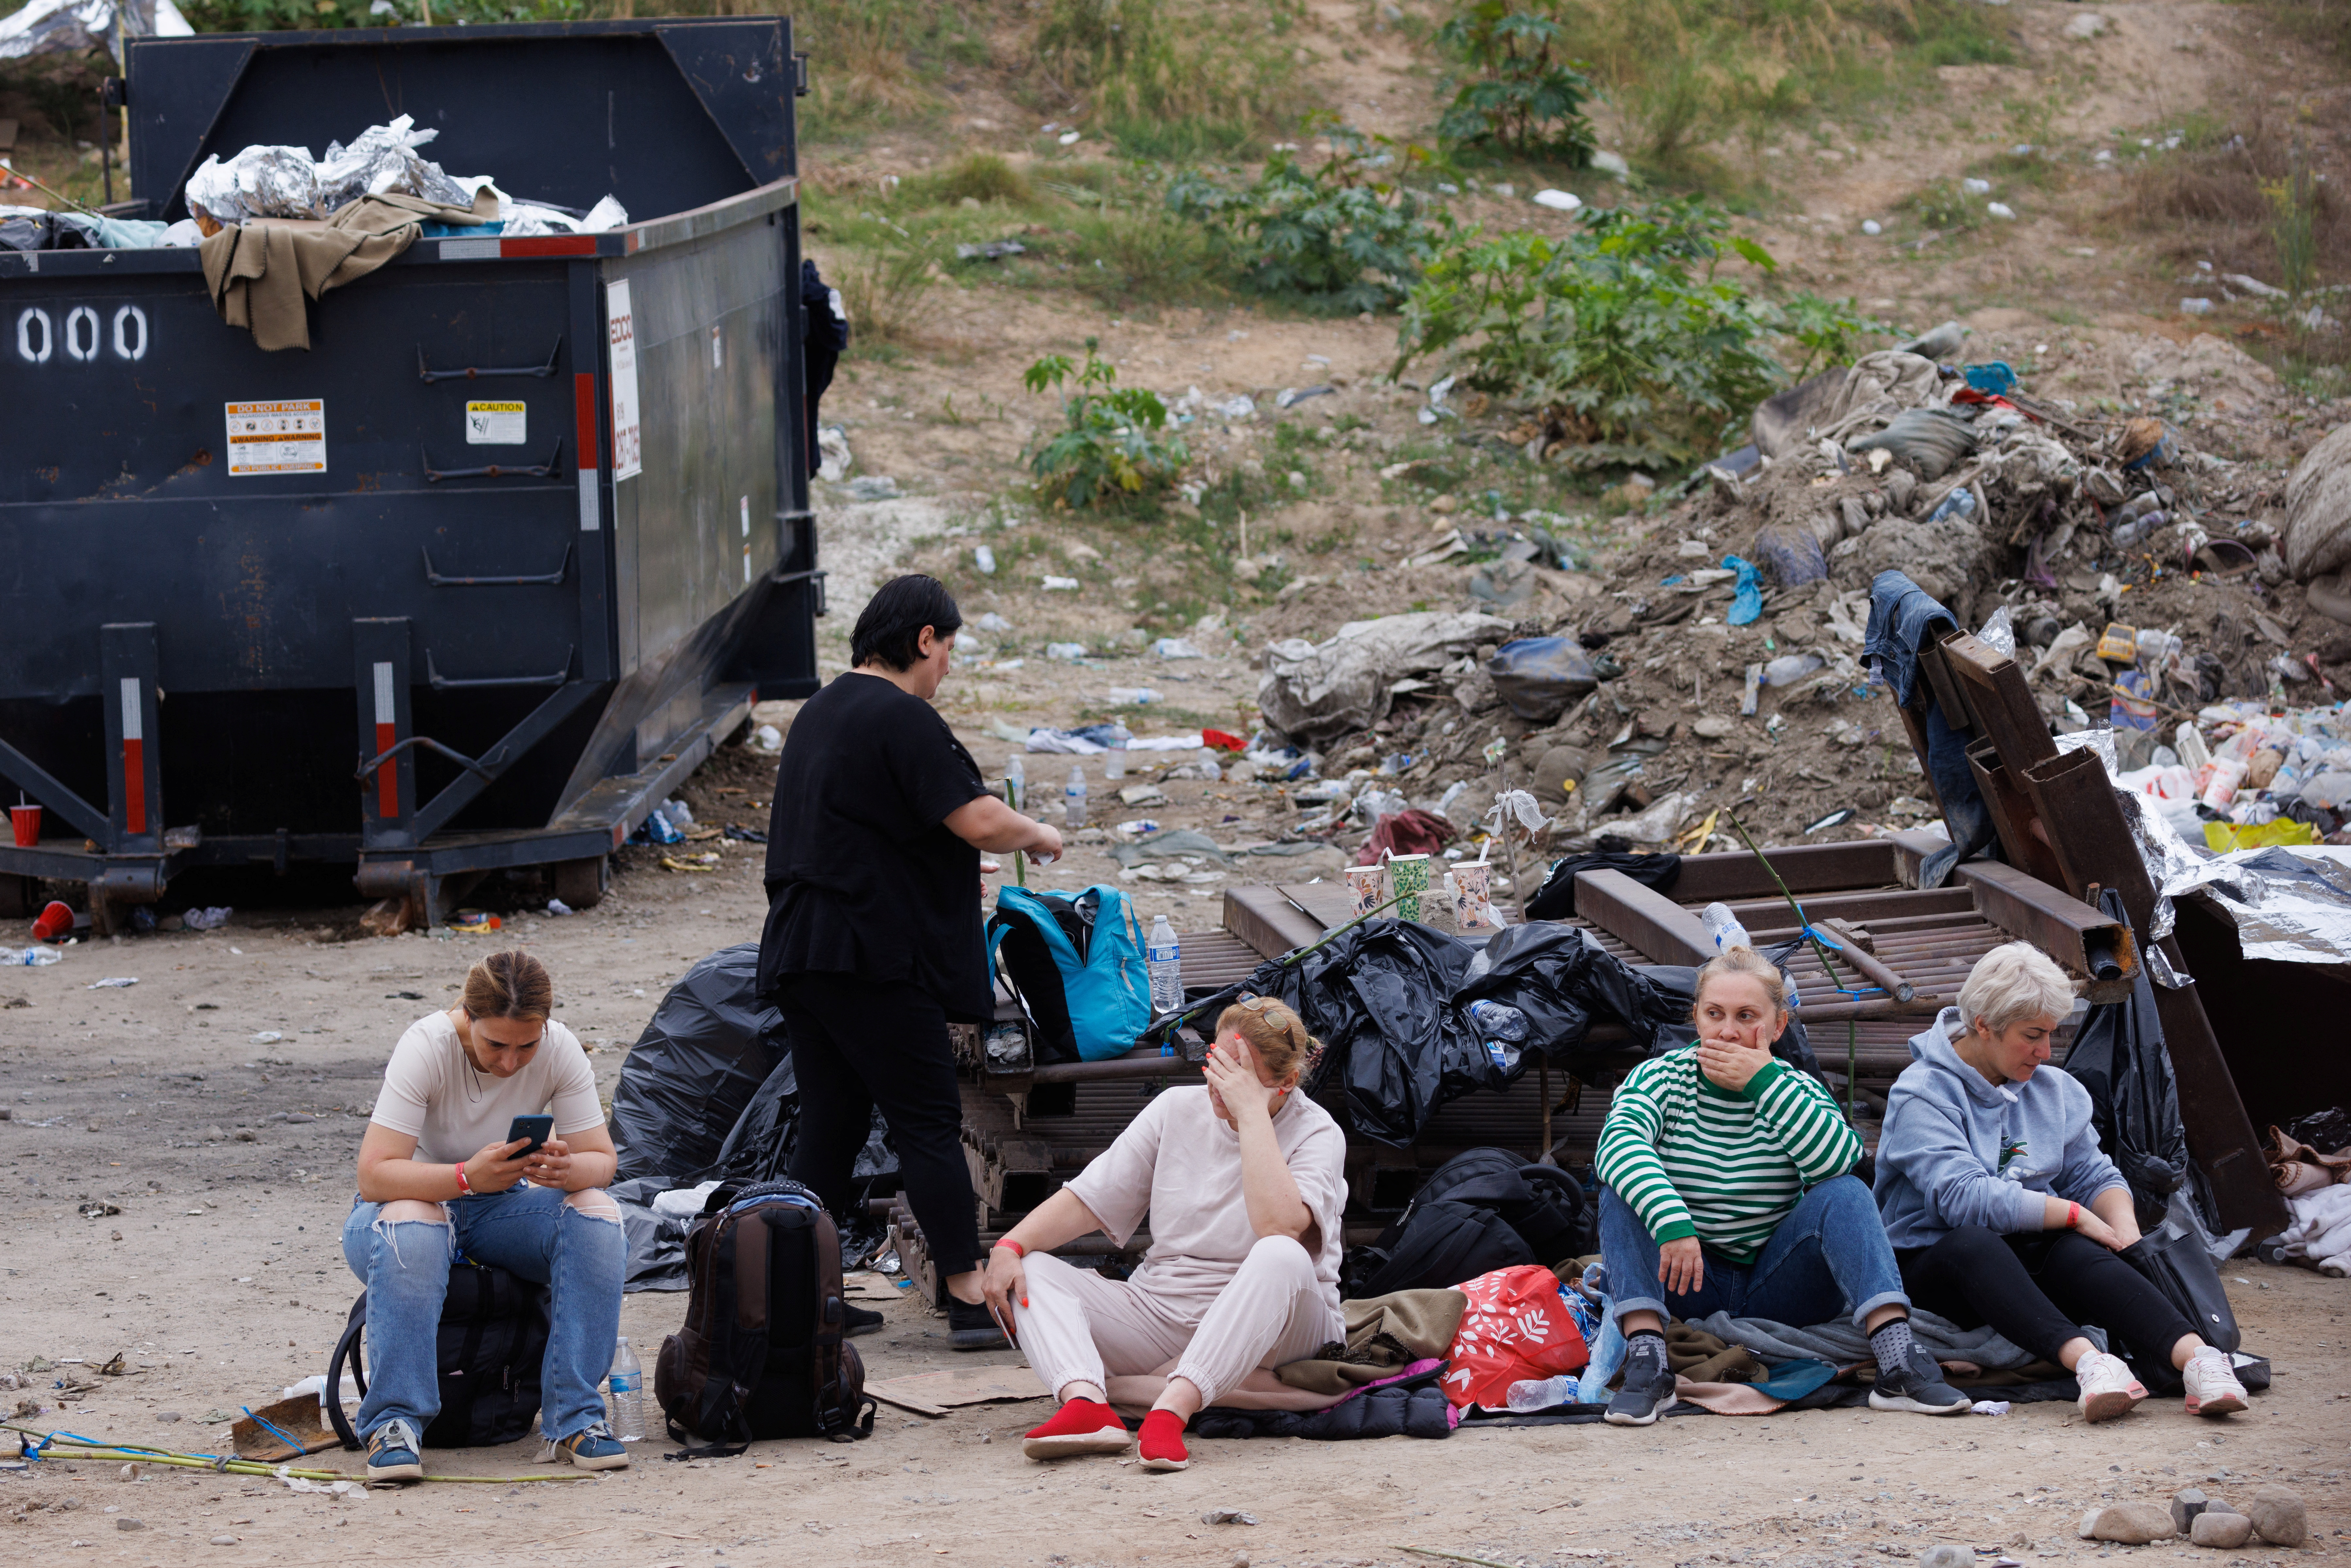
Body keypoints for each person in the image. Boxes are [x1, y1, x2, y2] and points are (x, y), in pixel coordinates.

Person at [759, 573, 1064, 1350]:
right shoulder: (902, 715)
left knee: (830, 1126)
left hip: (803, 950)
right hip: (871, 959)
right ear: (923, 638)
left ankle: (802, 1299)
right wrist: (1035, 834)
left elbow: (863, 832)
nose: (948, 668)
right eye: (949, 649)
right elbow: (977, 816)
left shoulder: (822, 712)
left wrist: (948, 866)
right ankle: (967, 1295)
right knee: (929, 1121)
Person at [1875, 942, 2251, 1423]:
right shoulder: (1921, 1093)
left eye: (2052, 1035)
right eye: (2032, 1035)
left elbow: (2093, 1173)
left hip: (2022, 1254)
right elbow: (1962, 1200)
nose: (2045, 1052)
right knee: (1978, 1243)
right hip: (1933, 1261)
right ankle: (2091, 1365)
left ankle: (2198, 1359)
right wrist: (2072, 1214)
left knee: (2075, 1249)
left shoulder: (2054, 1090)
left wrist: (2125, 1236)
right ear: (1983, 1025)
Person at [1594, 945, 1968, 1426]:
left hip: (1779, 1284)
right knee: (1618, 1191)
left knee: (1845, 1192)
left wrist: (1763, 1083)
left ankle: (1898, 1362)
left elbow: (1837, 1161)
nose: (1727, 1031)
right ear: (1696, 1019)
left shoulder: (1796, 1088)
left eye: (1745, 1016)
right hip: (1687, 1276)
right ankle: (1648, 1365)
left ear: (1777, 1027)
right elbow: (1618, 1142)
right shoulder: (1661, 1078)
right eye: (1714, 1015)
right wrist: (1670, 1221)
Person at [984, 997, 1346, 1472]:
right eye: (1217, 1063)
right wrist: (1009, 1246)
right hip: (1163, 1309)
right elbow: (1091, 1198)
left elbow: (1277, 1226)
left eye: (1241, 1074)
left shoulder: (1318, 1132)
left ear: (1286, 1083)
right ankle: (1088, 1403)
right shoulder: (1176, 1108)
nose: (1221, 1084)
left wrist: (1252, 1115)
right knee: (1027, 1268)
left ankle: (1171, 1406)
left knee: (1280, 1252)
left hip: (1281, 1325)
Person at [344, 951, 627, 1484]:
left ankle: (575, 1420)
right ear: (468, 1019)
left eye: (527, 1045)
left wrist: (566, 1169)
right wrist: (464, 1178)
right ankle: (394, 1424)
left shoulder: (560, 1047)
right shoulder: (426, 1046)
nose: (510, 1063)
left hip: (501, 1207)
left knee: (597, 1215)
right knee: (415, 1224)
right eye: (495, 1044)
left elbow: (603, 1163)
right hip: (404, 1211)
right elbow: (375, 1176)